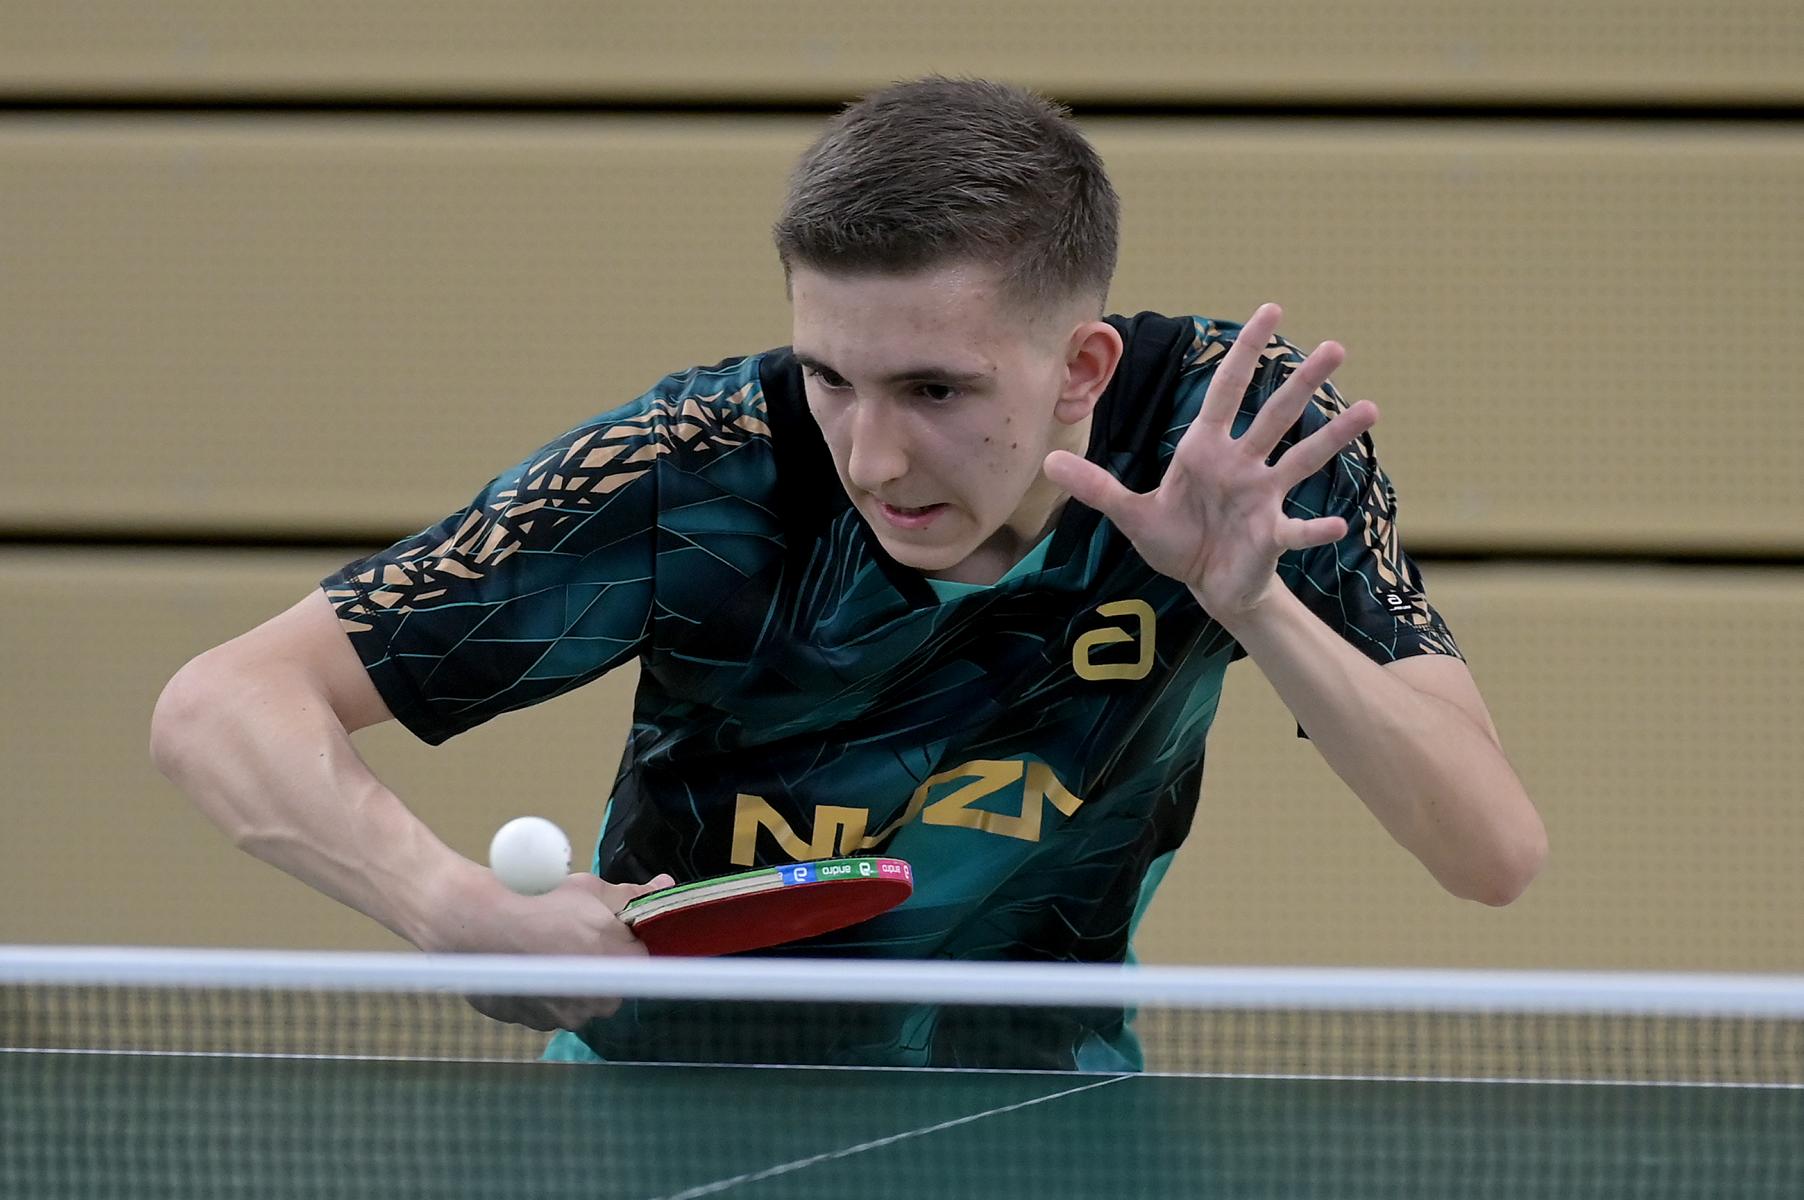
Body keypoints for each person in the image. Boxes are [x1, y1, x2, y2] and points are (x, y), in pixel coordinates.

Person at [150, 76, 1546, 1070]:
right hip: (671, 1110)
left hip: (1039, 1111)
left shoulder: (1232, 449)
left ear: (1082, 368)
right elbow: (223, 702)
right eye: (830, 376)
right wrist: (444, 905)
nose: (873, 457)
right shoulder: (701, 472)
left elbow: (1490, 853)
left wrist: (1255, 605)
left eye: (936, 388)